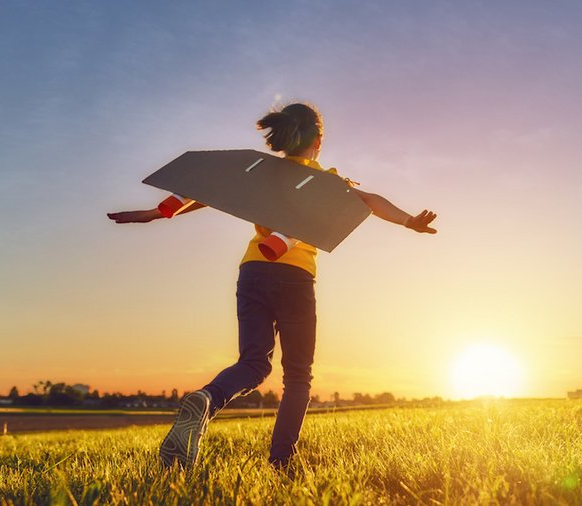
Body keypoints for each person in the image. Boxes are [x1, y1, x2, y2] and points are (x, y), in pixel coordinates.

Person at [107, 102, 437, 470]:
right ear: (319, 139)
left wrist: (158, 213)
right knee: (298, 374)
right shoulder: (325, 181)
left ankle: (207, 397)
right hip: (294, 276)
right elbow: (371, 201)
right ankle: (281, 462)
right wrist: (409, 222)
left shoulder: (262, 171)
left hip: (252, 271)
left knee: (252, 363)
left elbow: (210, 193)